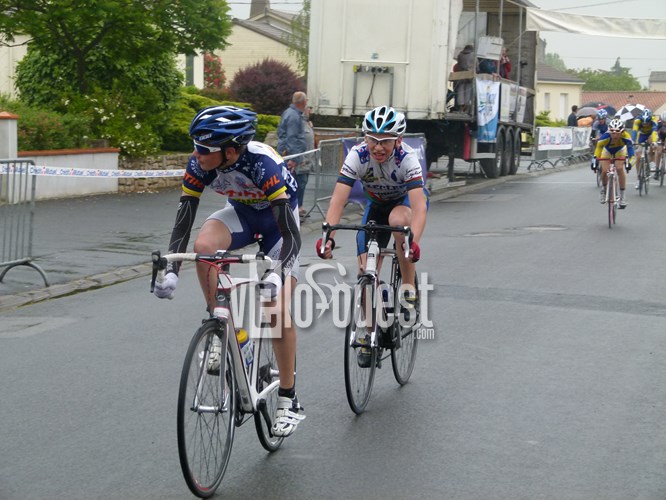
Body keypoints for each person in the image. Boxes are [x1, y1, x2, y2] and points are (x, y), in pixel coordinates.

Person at [153, 105, 305, 437]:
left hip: (279, 227)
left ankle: (288, 397)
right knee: (204, 246)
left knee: (275, 308)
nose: (196, 154)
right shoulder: (200, 163)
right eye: (195, 146)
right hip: (242, 216)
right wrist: (173, 269)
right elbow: (185, 219)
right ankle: (228, 331)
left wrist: (277, 273)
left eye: (203, 149)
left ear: (231, 151)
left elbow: (291, 233)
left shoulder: (263, 165)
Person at [315, 106, 427, 367]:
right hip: (375, 207)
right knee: (366, 271)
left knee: (398, 224)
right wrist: (328, 236)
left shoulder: (407, 158)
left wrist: (414, 243)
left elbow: (420, 207)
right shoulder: (357, 155)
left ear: (398, 140)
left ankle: (408, 290)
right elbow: (338, 200)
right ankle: (368, 333)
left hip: (403, 206)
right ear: (364, 138)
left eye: (385, 141)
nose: (378, 147)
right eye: (373, 140)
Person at [277, 91, 308, 216]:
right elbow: (291, 137)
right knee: (296, 182)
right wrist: (294, 158)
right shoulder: (294, 116)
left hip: (290, 153)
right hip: (291, 156)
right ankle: (293, 209)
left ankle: (293, 208)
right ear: (303, 102)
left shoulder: (290, 113)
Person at [593, 118, 635, 208]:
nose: (614, 135)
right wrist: (594, 161)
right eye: (612, 132)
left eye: (617, 132)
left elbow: (632, 153)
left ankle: (623, 196)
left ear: (622, 132)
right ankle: (604, 189)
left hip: (620, 150)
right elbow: (598, 150)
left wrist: (630, 163)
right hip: (607, 151)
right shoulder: (605, 137)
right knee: (604, 170)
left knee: (619, 168)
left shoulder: (626, 137)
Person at [631, 108, 661, 187]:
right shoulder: (637, 121)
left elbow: (654, 132)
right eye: (643, 123)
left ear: (650, 120)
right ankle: (638, 178)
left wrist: (654, 142)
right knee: (638, 157)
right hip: (642, 135)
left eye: (647, 123)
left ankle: (652, 161)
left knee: (652, 143)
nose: (645, 124)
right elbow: (634, 132)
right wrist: (633, 142)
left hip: (651, 134)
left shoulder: (654, 121)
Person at [295, 106, 315, 219]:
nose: (310, 111)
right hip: (301, 161)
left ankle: (300, 206)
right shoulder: (299, 123)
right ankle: (297, 207)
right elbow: (296, 142)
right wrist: (300, 158)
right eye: (308, 108)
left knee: (303, 183)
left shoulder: (307, 123)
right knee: (300, 184)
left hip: (308, 160)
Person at [453, 44, 475, 112]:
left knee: (460, 91)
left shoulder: (460, 55)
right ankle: (466, 109)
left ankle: (460, 108)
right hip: (469, 76)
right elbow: (476, 66)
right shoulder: (473, 55)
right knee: (468, 92)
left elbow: (458, 64)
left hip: (460, 76)